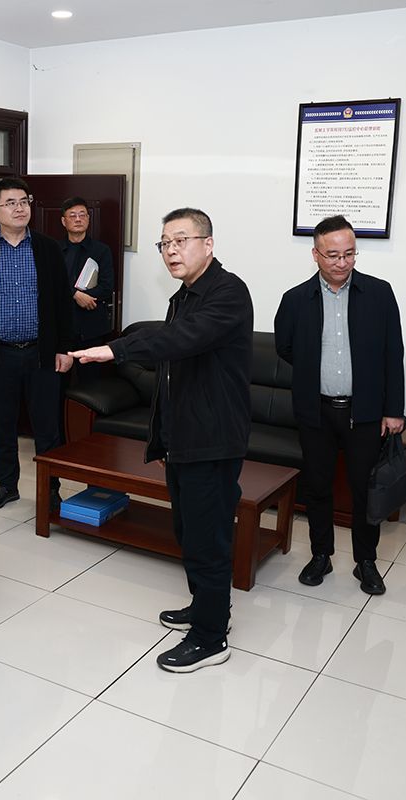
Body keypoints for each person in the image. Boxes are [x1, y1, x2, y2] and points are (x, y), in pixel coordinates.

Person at [71, 207, 252, 673]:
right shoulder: (184, 295)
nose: (171, 250)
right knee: (189, 532)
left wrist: (115, 348)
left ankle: (211, 638)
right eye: (164, 243)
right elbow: (173, 370)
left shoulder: (228, 292)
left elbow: (180, 340)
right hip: (183, 438)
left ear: (207, 244)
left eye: (181, 240)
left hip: (212, 440)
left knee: (209, 538)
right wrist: (162, 438)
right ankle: (207, 607)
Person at [273, 215, 405, 596]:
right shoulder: (295, 300)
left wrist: (393, 410)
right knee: (317, 487)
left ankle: (366, 561)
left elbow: (393, 354)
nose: (342, 262)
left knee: (364, 489)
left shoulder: (379, 294)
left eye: (349, 254)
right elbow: (285, 347)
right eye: (333, 255)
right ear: (316, 254)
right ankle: (321, 555)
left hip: (364, 413)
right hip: (316, 411)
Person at [0, 178, 73, 512]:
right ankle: (7, 486)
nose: (20, 208)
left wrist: (63, 348)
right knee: (2, 425)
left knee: (48, 428)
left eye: (24, 201)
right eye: (11, 203)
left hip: (42, 353)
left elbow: (63, 303)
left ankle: (51, 490)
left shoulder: (48, 248)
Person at [59, 197, 115, 385]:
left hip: (91, 328)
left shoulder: (101, 251)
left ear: (88, 219)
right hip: (61, 328)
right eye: (72, 215)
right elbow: (50, 285)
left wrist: (86, 297)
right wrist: (75, 295)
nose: (78, 219)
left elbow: (107, 287)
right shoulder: (54, 250)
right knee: (57, 383)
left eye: (82, 215)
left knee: (90, 384)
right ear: (64, 221)